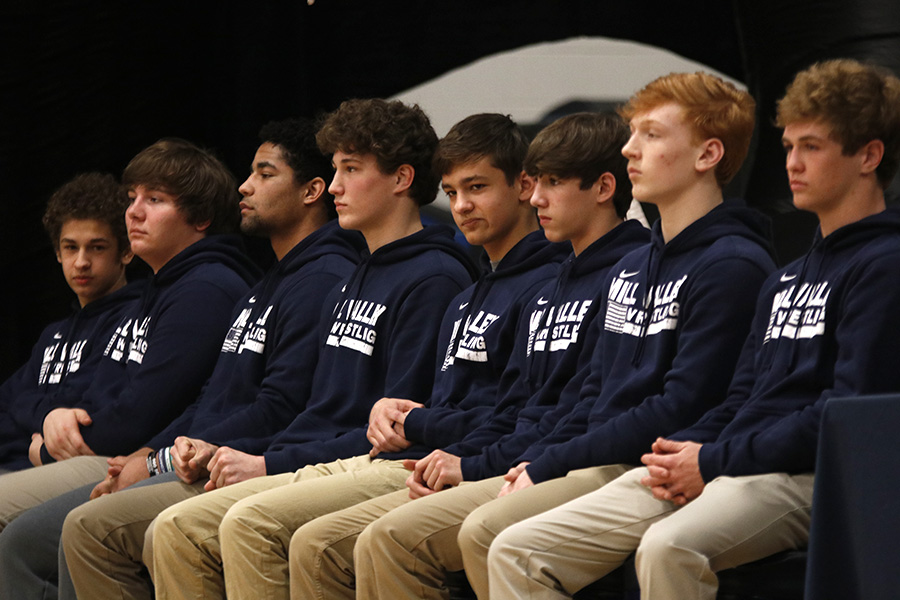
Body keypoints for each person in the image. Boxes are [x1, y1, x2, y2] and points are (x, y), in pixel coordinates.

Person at [349, 71, 777, 600]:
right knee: (412, 534)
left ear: (708, 155)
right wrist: (525, 457)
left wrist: (535, 461)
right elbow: (586, 396)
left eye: (651, 135)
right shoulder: (631, 270)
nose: (630, 149)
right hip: (585, 455)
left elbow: (683, 402)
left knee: (488, 536)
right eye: (632, 134)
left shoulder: (732, 264)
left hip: (653, 460)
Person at [488, 58, 900, 600]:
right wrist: (694, 451)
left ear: (868, 156)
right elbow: (738, 398)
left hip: (813, 475)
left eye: (812, 147)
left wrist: (711, 458)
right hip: (730, 457)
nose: (793, 164)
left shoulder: (882, 264)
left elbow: (843, 416)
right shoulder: (785, 277)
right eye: (789, 147)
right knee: (514, 547)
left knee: (668, 546)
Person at [148, 112, 570, 600]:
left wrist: (271, 459)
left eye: (350, 169)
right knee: (174, 525)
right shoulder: (447, 293)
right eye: (452, 193)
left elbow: (500, 415)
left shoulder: (442, 279)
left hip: (410, 461)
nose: (334, 186)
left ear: (402, 178)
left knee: (256, 526)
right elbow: (311, 410)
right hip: (369, 455)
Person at [288, 111, 651, 599]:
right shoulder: (504, 292)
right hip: (474, 456)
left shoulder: (601, 277)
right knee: (296, 533)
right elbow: (518, 407)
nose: (460, 205)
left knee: (368, 538)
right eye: (453, 192)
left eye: (476, 188)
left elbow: (583, 409)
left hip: (559, 461)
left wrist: (455, 450)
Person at [4, 118, 364, 599]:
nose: (245, 185)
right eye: (132, 197)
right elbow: (207, 398)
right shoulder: (264, 285)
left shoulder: (288, 281)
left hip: (241, 460)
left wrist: (155, 458)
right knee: (79, 528)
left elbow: (279, 406)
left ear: (311, 191)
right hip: (183, 453)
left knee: (85, 529)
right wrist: (147, 453)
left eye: (264, 173)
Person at [0, 138, 259, 595]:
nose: (134, 212)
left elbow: (140, 414)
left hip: (135, 456)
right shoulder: (160, 288)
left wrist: (52, 448)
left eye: (154, 200)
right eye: (132, 198)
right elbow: (85, 399)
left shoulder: (206, 289)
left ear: (199, 219)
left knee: (36, 533)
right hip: (125, 452)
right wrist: (48, 421)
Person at [0, 173, 138, 473]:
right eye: (71, 247)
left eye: (97, 247)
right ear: (57, 253)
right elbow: (7, 403)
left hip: (65, 472)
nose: (81, 262)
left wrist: (32, 411)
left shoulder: (134, 319)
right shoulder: (54, 335)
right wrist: (44, 417)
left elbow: (84, 407)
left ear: (126, 251)